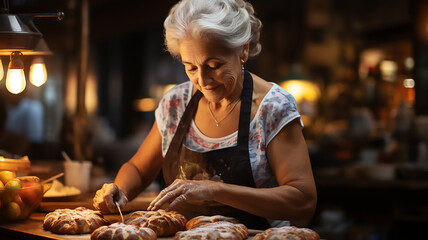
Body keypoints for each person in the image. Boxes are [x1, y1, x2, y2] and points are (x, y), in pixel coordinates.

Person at [93, 0, 317, 229]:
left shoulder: (272, 108)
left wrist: (214, 189)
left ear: (244, 49)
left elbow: (302, 200)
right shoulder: (175, 104)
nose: (202, 80)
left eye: (214, 65)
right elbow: (139, 170)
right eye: (190, 67)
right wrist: (120, 191)